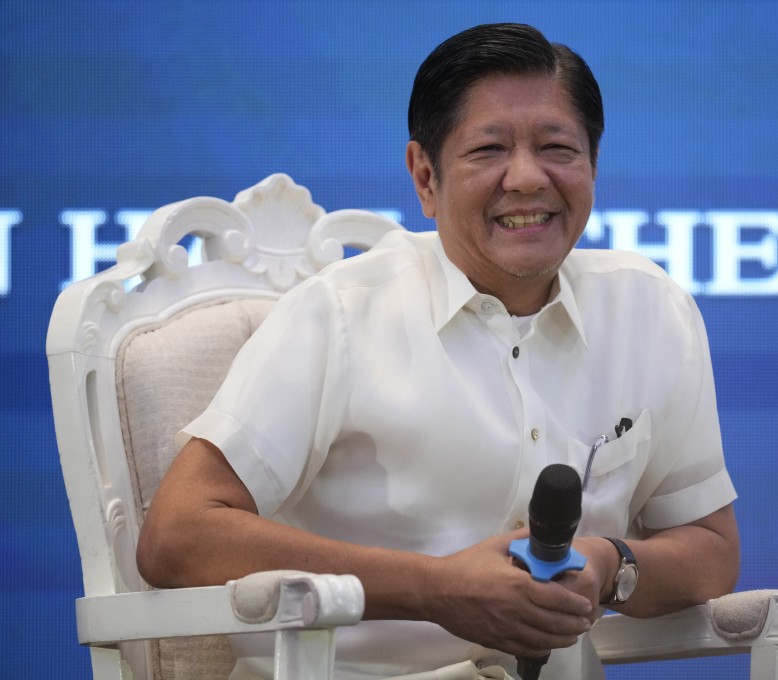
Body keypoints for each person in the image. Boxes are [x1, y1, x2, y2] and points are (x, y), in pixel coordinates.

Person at [137, 22, 740, 680]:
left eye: (556, 147)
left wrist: (610, 565)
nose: (527, 177)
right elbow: (178, 533)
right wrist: (434, 589)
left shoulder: (650, 311)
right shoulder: (340, 315)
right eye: (489, 149)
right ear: (425, 176)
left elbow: (709, 548)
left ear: (593, 164)